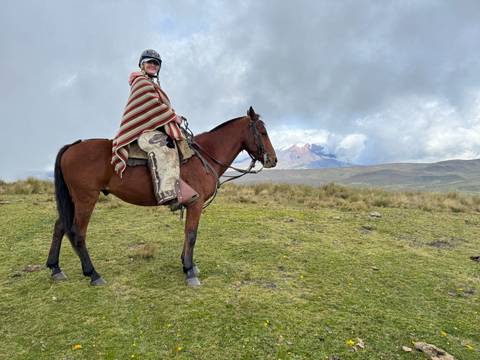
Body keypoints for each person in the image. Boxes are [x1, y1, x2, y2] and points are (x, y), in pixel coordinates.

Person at [112, 49, 197, 206]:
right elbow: (153, 106)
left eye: (156, 63)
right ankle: (168, 194)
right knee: (167, 148)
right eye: (149, 62)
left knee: (181, 145)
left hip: (152, 130)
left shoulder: (150, 83)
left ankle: (181, 185)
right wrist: (173, 117)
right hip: (144, 133)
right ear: (142, 65)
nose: (153, 65)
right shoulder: (141, 82)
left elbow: (156, 109)